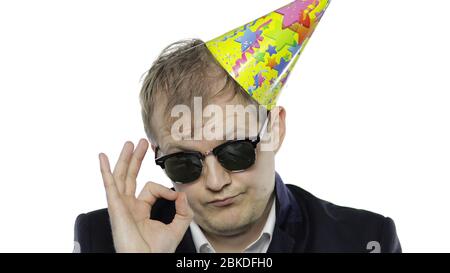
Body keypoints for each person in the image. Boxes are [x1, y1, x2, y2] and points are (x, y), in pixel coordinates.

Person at [74, 1, 401, 253]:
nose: (215, 182)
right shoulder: (103, 237)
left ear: (275, 129)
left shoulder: (363, 241)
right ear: (158, 156)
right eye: (185, 163)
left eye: (235, 151)